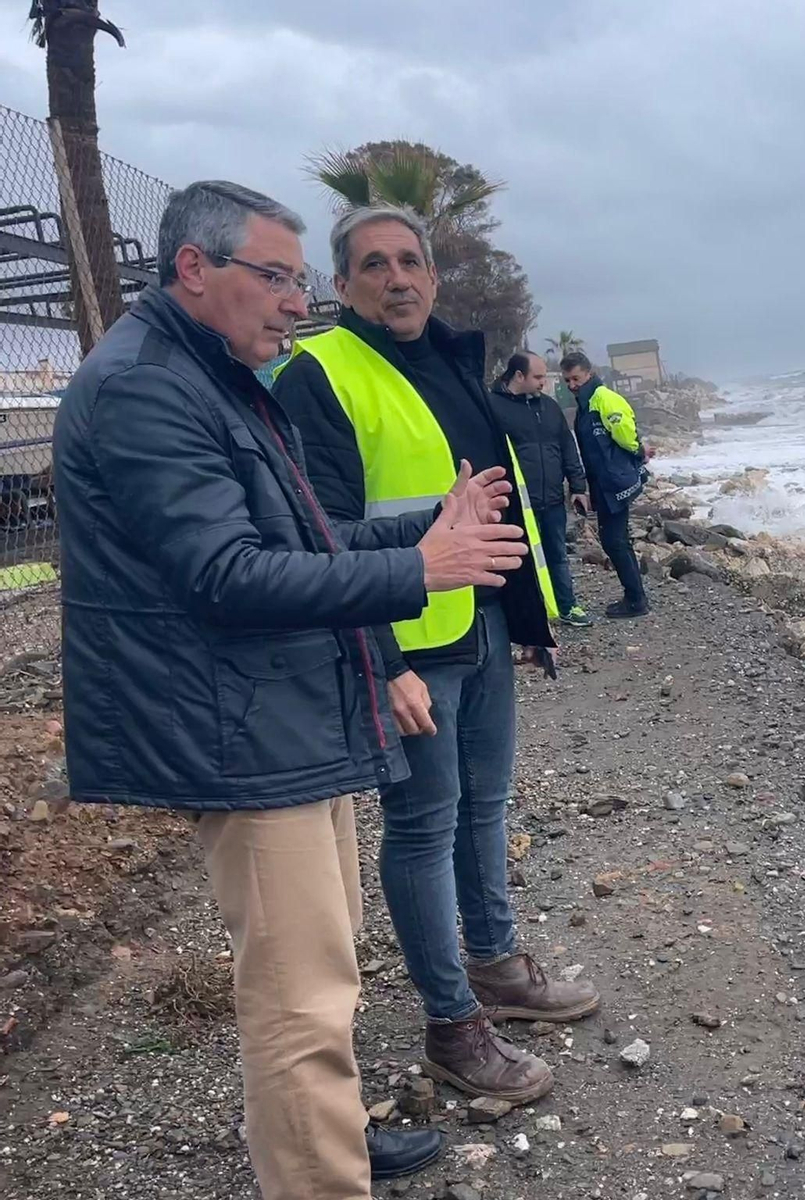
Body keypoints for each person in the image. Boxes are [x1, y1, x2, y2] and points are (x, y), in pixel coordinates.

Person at [53, 180, 531, 1200]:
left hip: (281, 712)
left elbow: (304, 539)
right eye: (274, 277)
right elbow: (226, 577)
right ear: (194, 268)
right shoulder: (145, 388)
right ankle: (318, 1175)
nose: (292, 300)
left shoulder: (216, 377)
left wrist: (419, 530)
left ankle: (328, 1133)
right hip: (236, 728)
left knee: (323, 967)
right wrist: (420, 573)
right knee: (298, 996)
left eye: (299, 279)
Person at [273, 204, 599, 1107]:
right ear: (341, 286)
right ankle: (453, 1027)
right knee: (422, 826)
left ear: (434, 276)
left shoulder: (450, 363)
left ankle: (495, 967)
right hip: (409, 647)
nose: (398, 278)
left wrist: (530, 617)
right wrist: (383, 661)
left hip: (482, 625)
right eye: (373, 265)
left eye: (410, 261)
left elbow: (495, 505)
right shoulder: (321, 374)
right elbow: (323, 538)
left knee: (486, 805)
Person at [490, 351, 592, 627]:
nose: (543, 383)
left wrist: (578, 485)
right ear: (519, 376)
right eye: (538, 377)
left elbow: (566, 446)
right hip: (515, 502)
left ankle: (567, 607)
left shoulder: (549, 407)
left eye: (545, 377)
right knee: (518, 560)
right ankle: (526, 616)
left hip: (553, 499)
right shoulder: (492, 407)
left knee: (557, 554)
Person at [560, 351, 651, 618]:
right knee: (616, 540)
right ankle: (636, 597)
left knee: (614, 541)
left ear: (588, 373)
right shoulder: (586, 403)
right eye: (567, 381)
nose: (572, 385)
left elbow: (625, 431)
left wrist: (638, 451)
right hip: (604, 482)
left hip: (614, 481)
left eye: (575, 378)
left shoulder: (603, 398)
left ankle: (636, 601)